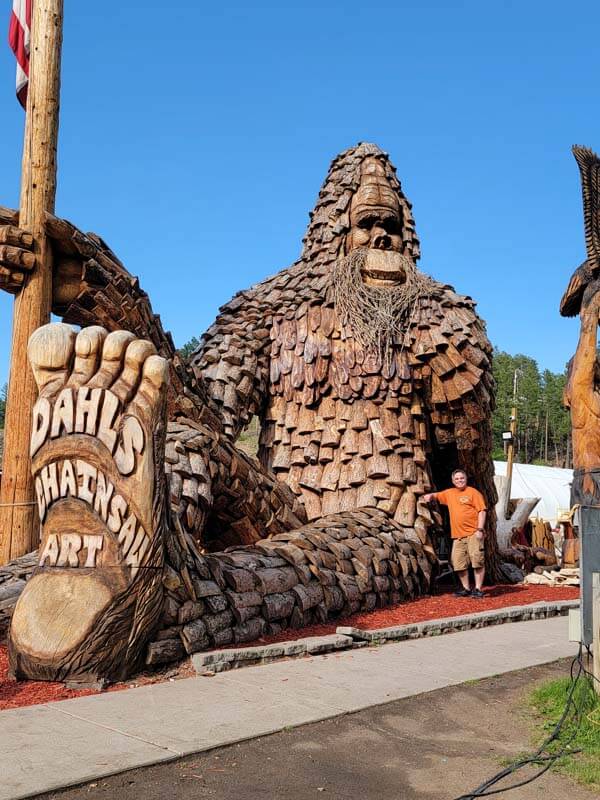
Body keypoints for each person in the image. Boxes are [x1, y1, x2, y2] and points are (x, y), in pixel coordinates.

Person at [423, 469, 487, 598]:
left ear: (466, 479)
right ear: (453, 481)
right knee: (458, 562)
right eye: (457, 479)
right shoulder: (449, 493)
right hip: (457, 536)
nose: (459, 481)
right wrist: (429, 496)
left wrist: (480, 529)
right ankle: (466, 588)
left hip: (473, 533)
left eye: (462, 478)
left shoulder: (473, 493)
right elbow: (437, 495)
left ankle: (478, 589)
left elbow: (482, 511)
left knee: (477, 561)